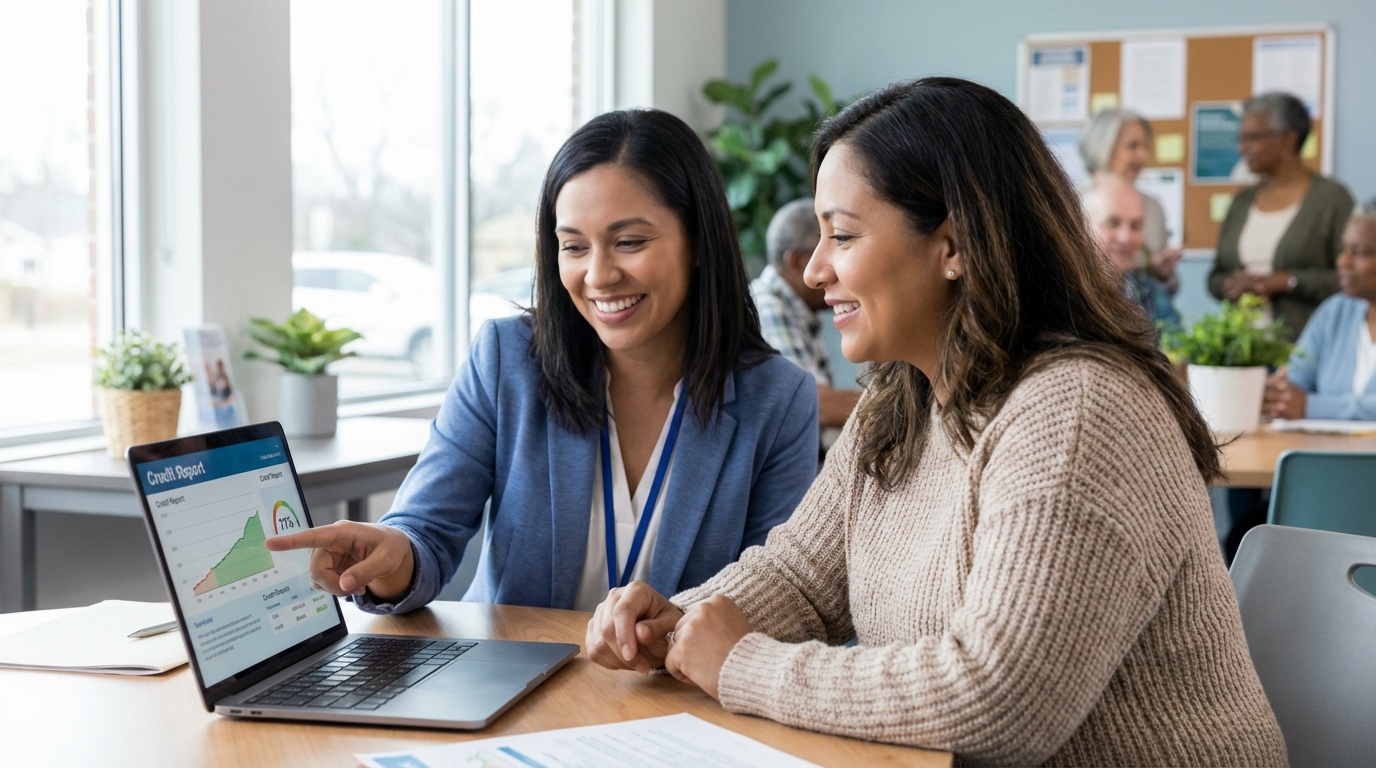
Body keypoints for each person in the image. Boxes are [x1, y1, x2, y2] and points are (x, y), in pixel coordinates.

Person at [586, 78, 1286, 766]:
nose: (815, 271)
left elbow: (998, 698)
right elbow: (803, 575)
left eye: (844, 235)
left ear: (953, 246)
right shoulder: (904, 396)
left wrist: (742, 664)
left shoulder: (1077, 414)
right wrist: (678, 621)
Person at [266, 109, 819, 613]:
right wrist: (393, 557)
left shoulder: (778, 398)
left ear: (698, 243)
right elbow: (425, 530)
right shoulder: (506, 360)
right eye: (574, 247)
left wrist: (676, 627)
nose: (598, 276)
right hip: (516, 693)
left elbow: (777, 596)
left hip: (674, 701)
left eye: (628, 242)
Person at [1209, 91, 1354, 333]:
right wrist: (1229, 285)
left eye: (1253, 137)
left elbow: (1349, 277)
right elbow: (1214, 276)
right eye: (1241, 138)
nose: (1242, 147)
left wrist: (1288, 281)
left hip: (1302, 349)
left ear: (1287, 139)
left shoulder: (1332, 199)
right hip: (1241, 350)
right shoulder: (1240, 203)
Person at [750, 198, 862, 444]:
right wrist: (891, 406)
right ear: (798, 262)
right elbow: (810, 403)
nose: (837, 270)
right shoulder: (766, 307)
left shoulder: (795, 309)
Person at [1263, 199, 1376, 421]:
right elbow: (1292, 382)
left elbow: (1302, 405)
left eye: (1360, 252)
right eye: (1343, 249)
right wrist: (1276, 395)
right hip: (1323, 453)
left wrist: (1311, 407)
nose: (1343, 262)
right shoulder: (1335, 312)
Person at [1078, 107, 1182, 293]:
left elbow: (1168, 290)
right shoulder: (1070, 201)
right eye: (1132, 146)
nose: (1143, 156)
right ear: (1103, 146)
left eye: (1145, 147)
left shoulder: (1153, 207)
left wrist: (1162, 273)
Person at [1083, 175, 1180, 329]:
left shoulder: (1147, 292)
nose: (1125, 237)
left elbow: (1176, 343)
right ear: (1083, 229)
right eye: (1112, 223)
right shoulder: (1064, 295)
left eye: (1135, 226)